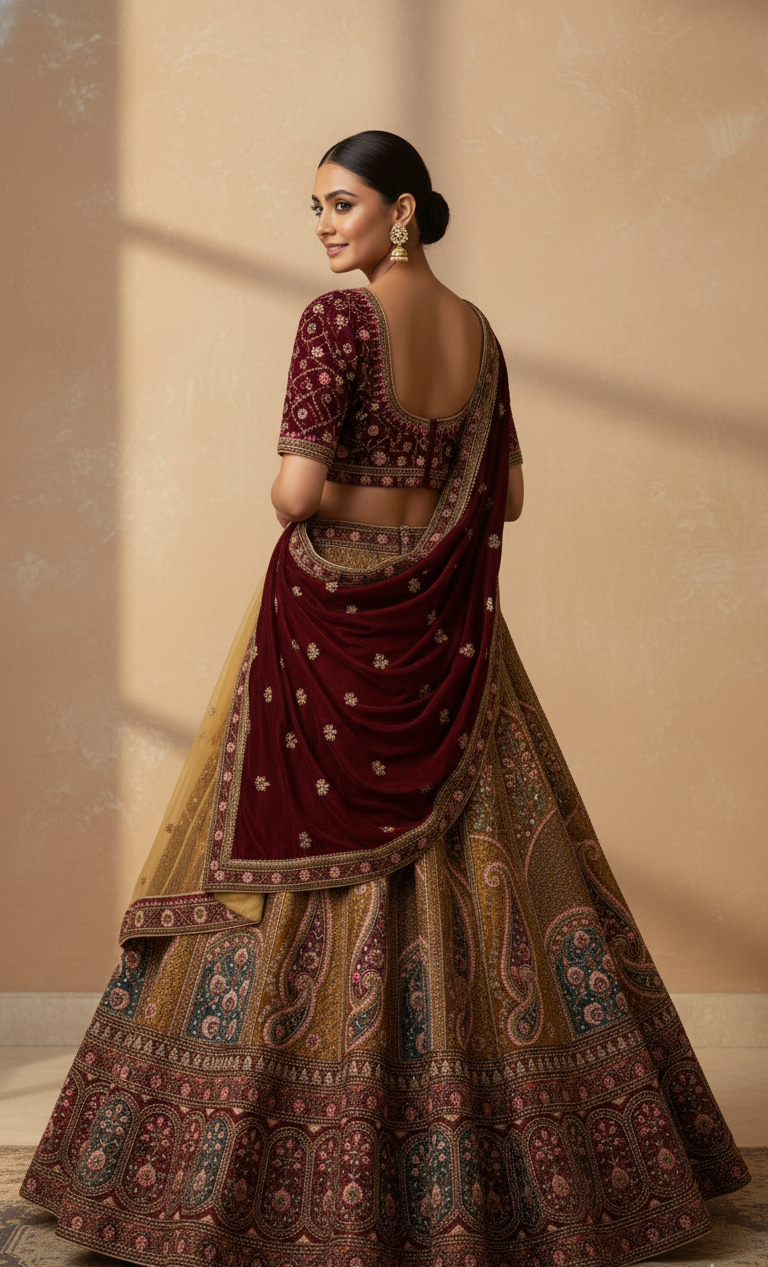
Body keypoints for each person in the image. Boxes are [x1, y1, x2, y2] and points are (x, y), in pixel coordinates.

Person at [21, 130, 749, 1267]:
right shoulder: (481, 336)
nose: (323, 224)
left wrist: (301, 486)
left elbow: (294, 491)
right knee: (496, 870)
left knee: (274, 869)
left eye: (343, 204)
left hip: (329, 633)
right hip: (450, 642)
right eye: (315, 205)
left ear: (400, 210)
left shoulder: (339, 323)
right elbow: (504, 493)